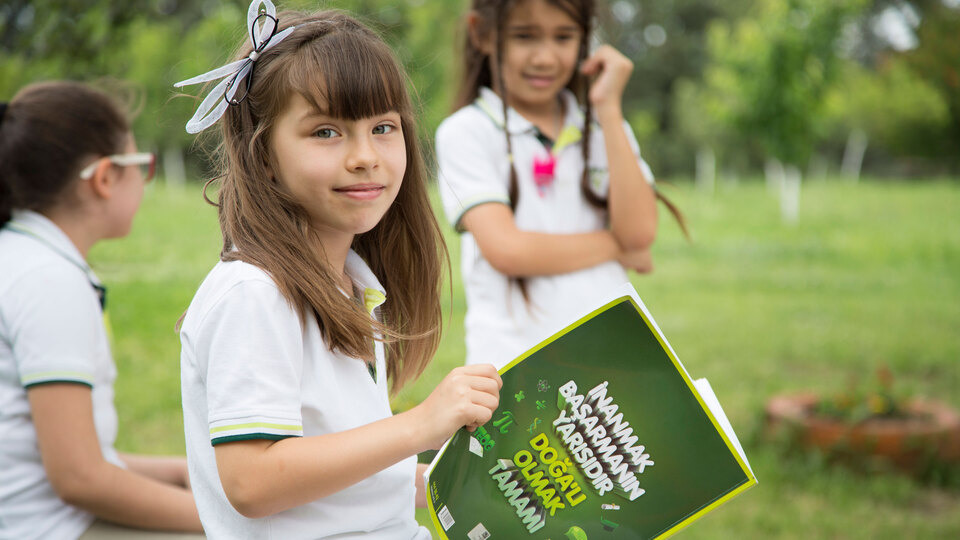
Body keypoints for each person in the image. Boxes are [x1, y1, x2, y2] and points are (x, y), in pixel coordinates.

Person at [174, 2, 502, 538]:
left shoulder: (349, 284)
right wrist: (419, 425)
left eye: (383, 127)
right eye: (326, 132)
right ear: (262, 154)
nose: (365, 156)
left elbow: (329, 465)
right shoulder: (253, 293)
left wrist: (430, 479)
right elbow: (254, 481)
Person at [0, 81, 204, 539]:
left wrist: (175, 471)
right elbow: (79, 479)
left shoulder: (23, 258)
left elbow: (57, 455)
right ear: (105, 178)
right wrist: (223, 522)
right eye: (142, 166)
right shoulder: (47, 280)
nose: (145, 181)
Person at [437, 0, 687, 367]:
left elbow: (639, 233)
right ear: (483, 34)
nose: (545, 58)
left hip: (611, 357)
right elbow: (507, 250)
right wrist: (616, 247)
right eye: (525, 36)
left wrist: (609, 108)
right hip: (515, 369)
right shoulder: (466, 132)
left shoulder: (604, 129)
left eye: (564, 37)